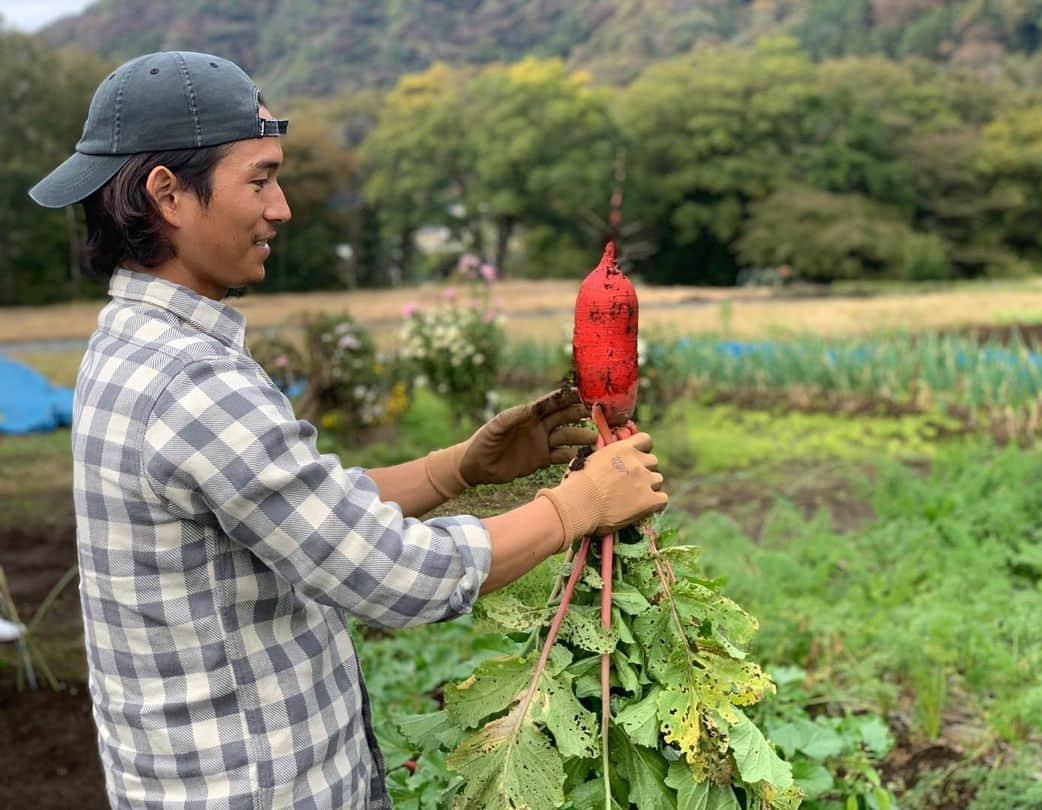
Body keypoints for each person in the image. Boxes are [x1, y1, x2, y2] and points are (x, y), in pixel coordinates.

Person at [30, 51, 667, 809]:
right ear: (167, 194)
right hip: (251, 786)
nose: (282, 208)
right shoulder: (190, 384)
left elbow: (293, 514)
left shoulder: (134, 342)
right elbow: (390, 576)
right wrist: (577, 507)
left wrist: (455, 467)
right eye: (260, 180)